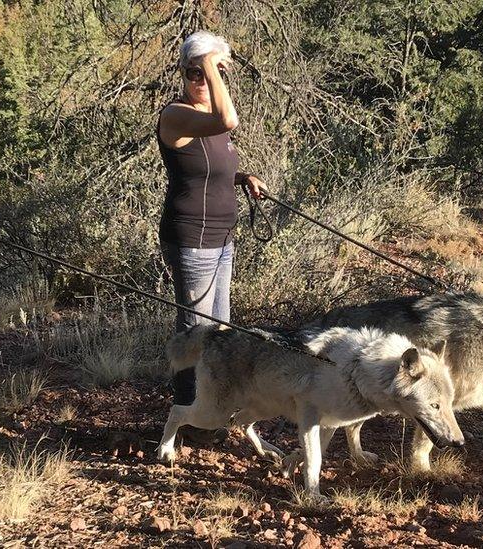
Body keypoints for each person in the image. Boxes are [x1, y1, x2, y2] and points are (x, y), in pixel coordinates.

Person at [157, 31, 268, 443]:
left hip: (221, 235)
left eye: (213, 73)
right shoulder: (176, 114)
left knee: (220, 330)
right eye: (194, 72)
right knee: (195, 329)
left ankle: (213, 409)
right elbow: (228, 119)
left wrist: (241, 177)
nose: (201, 80)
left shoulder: (208, 114)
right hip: (192, 236)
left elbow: (205, 166)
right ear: (185, 73)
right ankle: (186, 413)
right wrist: (209, 62)